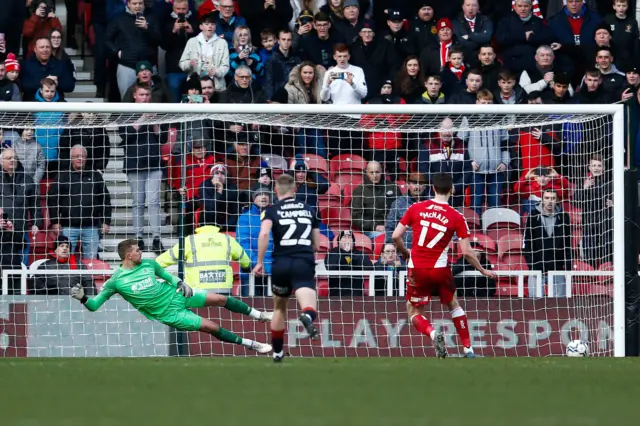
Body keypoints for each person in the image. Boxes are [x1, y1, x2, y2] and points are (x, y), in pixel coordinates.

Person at [71, 239, 272, 354]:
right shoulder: (116, 281)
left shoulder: (149, 264)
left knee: (220, 299)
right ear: (128, 256)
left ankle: (259, 315)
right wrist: (83, 298)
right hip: (169, 313)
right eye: (137, 251)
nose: (141, 252)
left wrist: (181, 283)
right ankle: (252, 345)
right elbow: (95, 305)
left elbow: (168, 276)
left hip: (178, 295)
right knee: (212, 327)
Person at [391, 173, 496, 359]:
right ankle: (468, 349)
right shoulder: (457, 216)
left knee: (413, 311)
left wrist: (405, 253)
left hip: (417, 269)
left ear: (432, 189)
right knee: (454, 305)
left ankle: (432, 333)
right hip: (441, 269)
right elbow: (467, 252)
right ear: (452, 190)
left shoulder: (416, 208)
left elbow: (395, 236)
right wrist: (483, 270)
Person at [253, 173, 321, 362]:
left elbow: (264, 234)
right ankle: (307, 316)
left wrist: (259, 262)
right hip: (303, 262)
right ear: (295, 189)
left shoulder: (271, 211)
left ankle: (277, 352)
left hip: (281, 263)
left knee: (279, 309)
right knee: (309, 305)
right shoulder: (309, 209)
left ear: (276, 190)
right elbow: (317, 244)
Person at [522, 189, 572, 297]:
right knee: (535, 305)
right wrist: (532, 266)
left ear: (557, 200)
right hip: (537, 268)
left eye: (553, 198)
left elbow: (567, 244)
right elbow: (527, 243)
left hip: (557, 268)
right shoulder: (533, 216)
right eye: (547, 198)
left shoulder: (564, 217)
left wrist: (567, 268)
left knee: (559, 305)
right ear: (542, 199)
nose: (550, 201)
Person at [324, 230, 374, 296]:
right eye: (344, 237)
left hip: (356, 294)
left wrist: (350, 254)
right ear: (339, 241)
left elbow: (369, 268)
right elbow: (330, 267)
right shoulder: (332, 253)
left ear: (353, 242)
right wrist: (344, 253)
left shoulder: (360, 254)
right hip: (336, 293)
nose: (347, 239)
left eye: (349, 237)